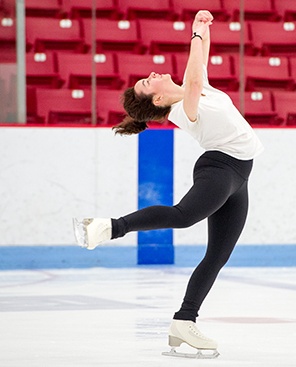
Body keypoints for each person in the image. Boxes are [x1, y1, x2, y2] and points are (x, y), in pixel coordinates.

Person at [73, 10, 264, 358]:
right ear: (157, 101)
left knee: (218, 255)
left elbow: (198, 64)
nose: (150, 75)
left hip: (240, 176)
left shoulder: (197, 88)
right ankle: (111, 227)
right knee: (183, 215)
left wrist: (202, 29)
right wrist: (194, 36)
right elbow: (191, 78)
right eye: (147, 84)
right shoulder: (183, 107)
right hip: (219, 168)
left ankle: (184, 321)